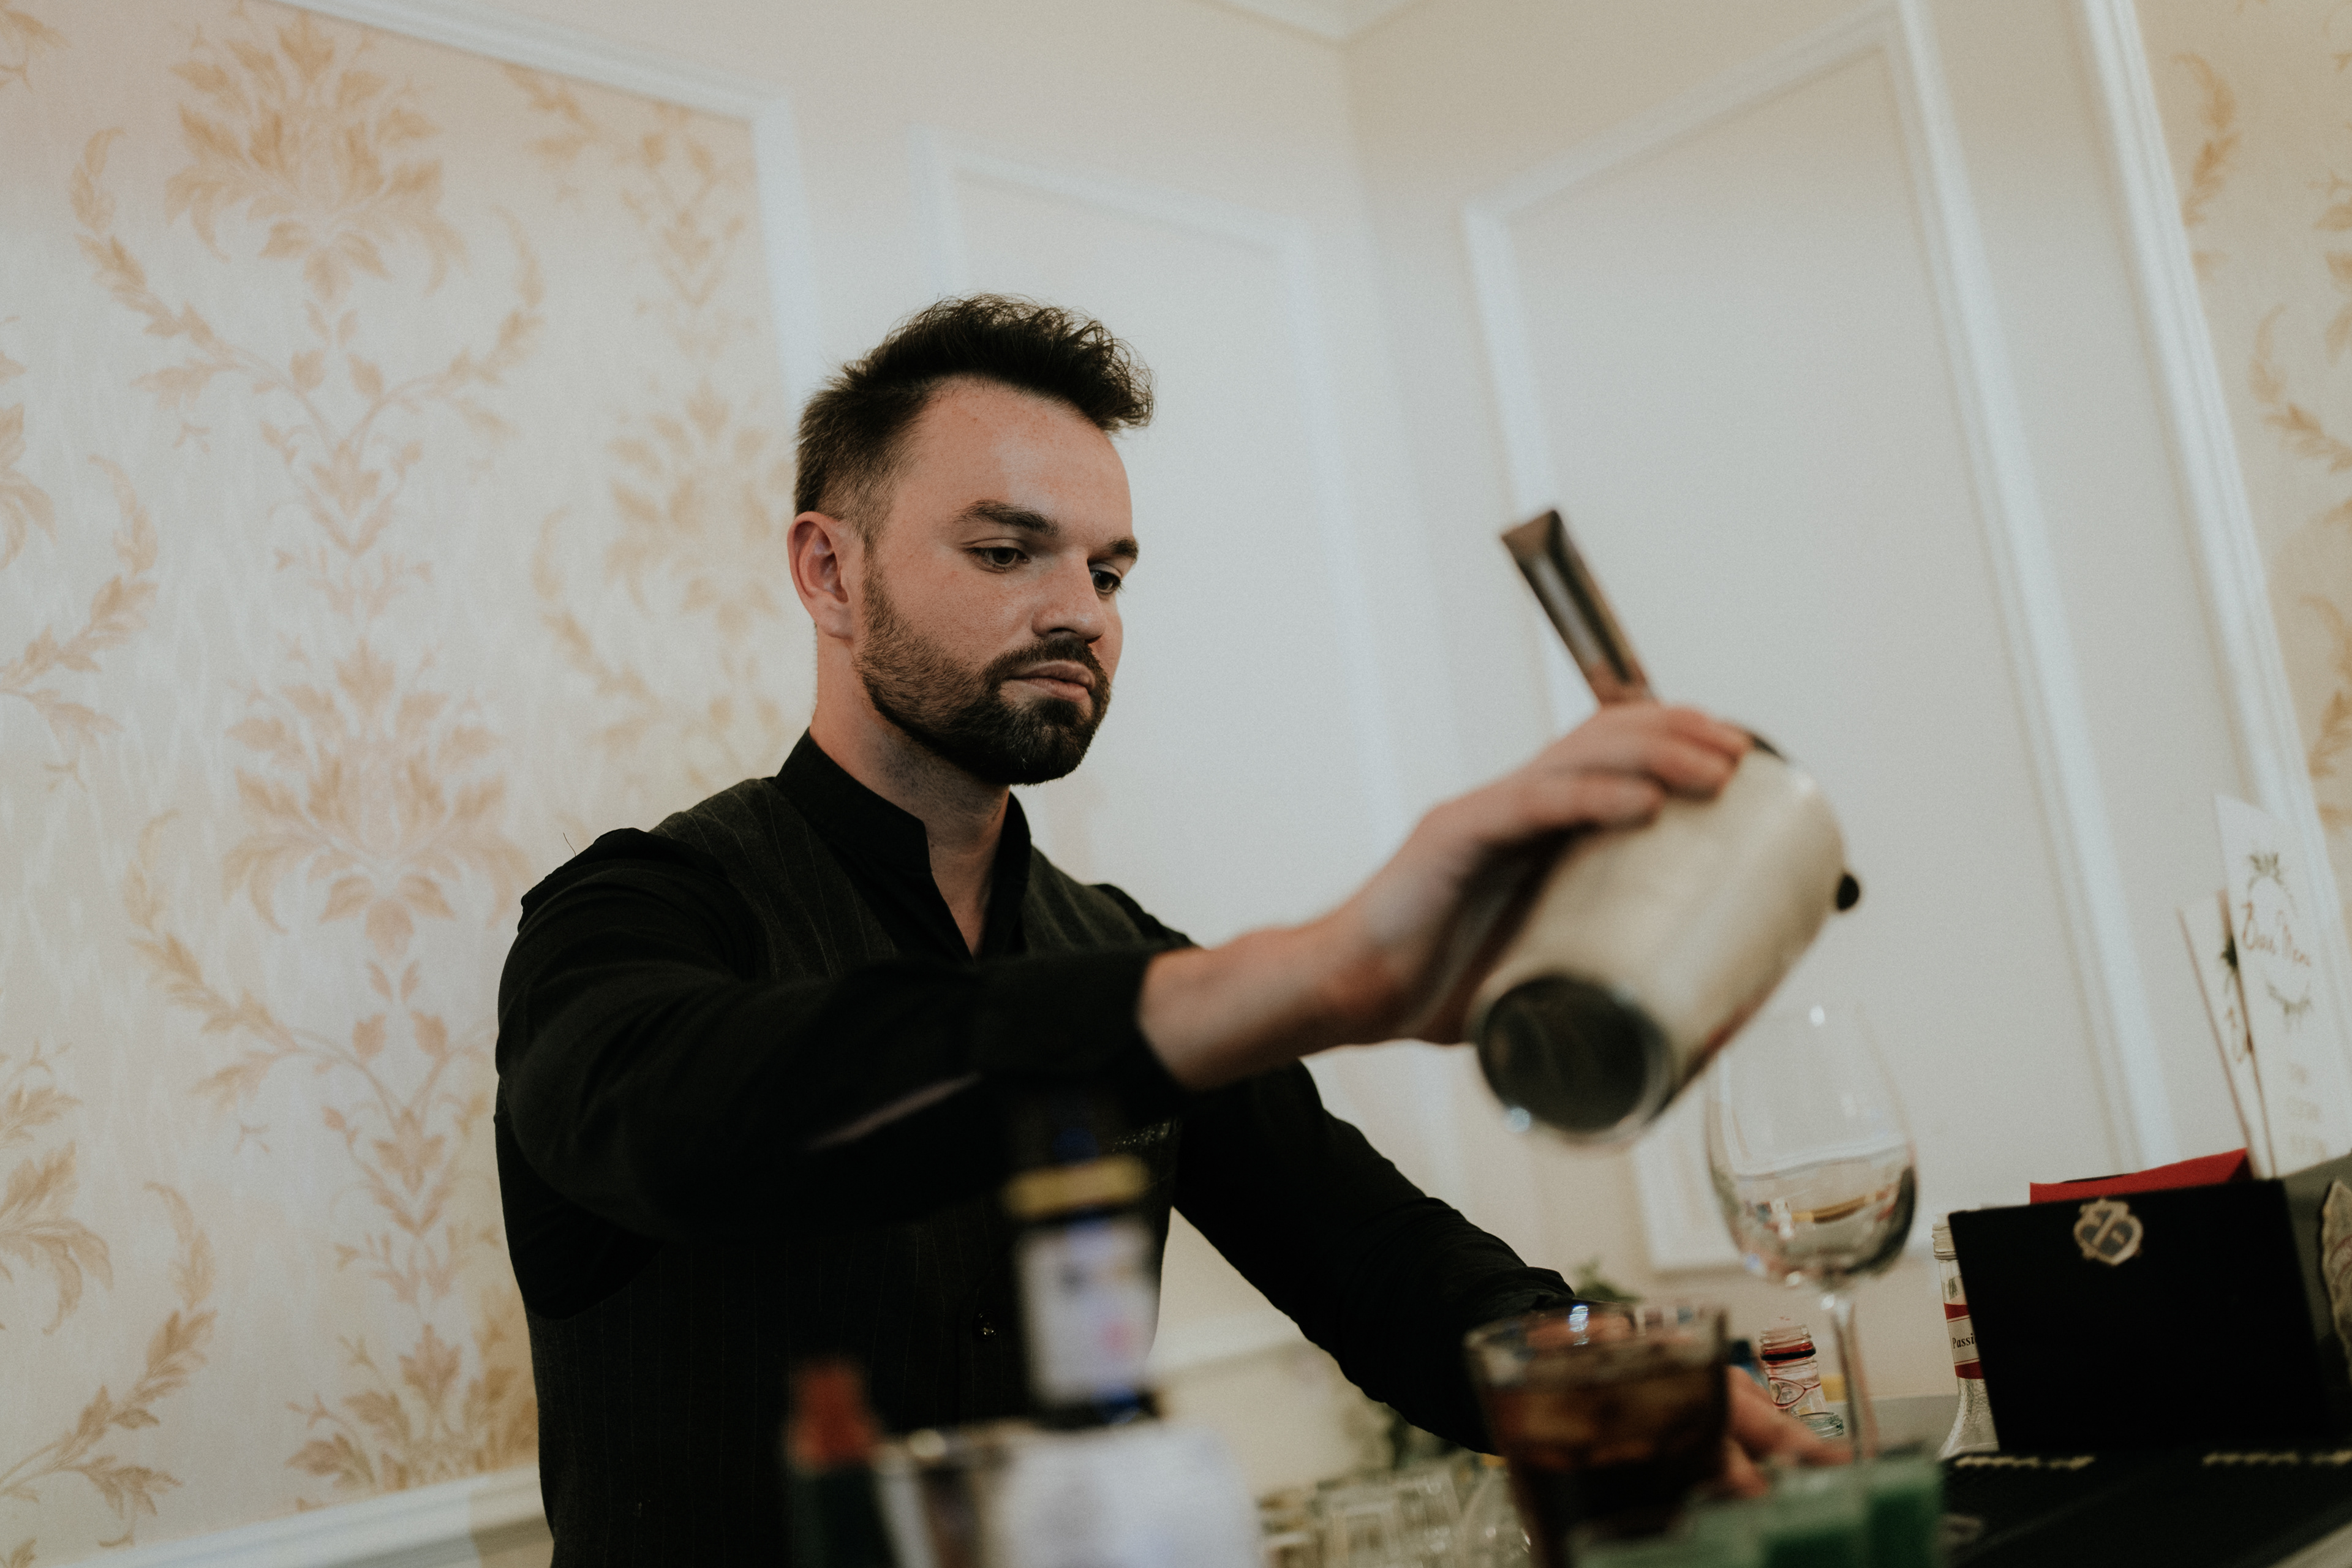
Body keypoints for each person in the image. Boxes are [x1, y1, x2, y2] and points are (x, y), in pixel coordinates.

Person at [494, 295, 1830, 1562]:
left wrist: (1600, 1373)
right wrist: (1313, 971)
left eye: (1109, 571)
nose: (1081, 611)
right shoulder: (630, 916)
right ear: (828, 571)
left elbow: (1375, 1256)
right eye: (1006, 551)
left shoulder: (1108, 944)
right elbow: (696, 1118)